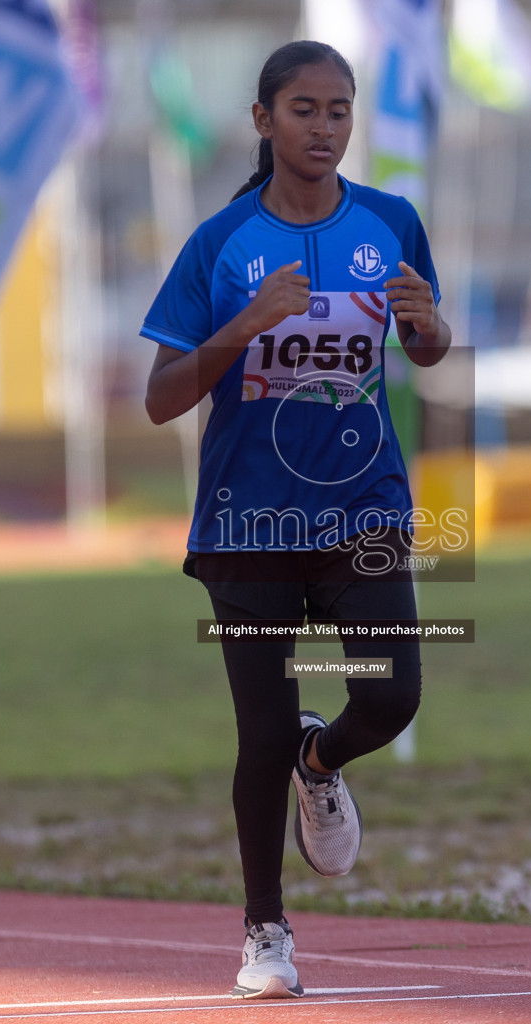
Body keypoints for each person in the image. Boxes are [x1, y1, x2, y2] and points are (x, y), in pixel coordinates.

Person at [140, 39, 451, 999]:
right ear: (263, 120)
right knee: (259, 732)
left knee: (391, 697)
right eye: (305, 109)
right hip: (250, 521)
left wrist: (425, 324)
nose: (325, 127)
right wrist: (243, 325)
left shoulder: (392, 222)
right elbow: (159, 399)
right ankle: (264, 934)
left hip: (363, 507)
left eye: (339, 110)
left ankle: (323, 760)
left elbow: (429, 350)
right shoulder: (220, 245)